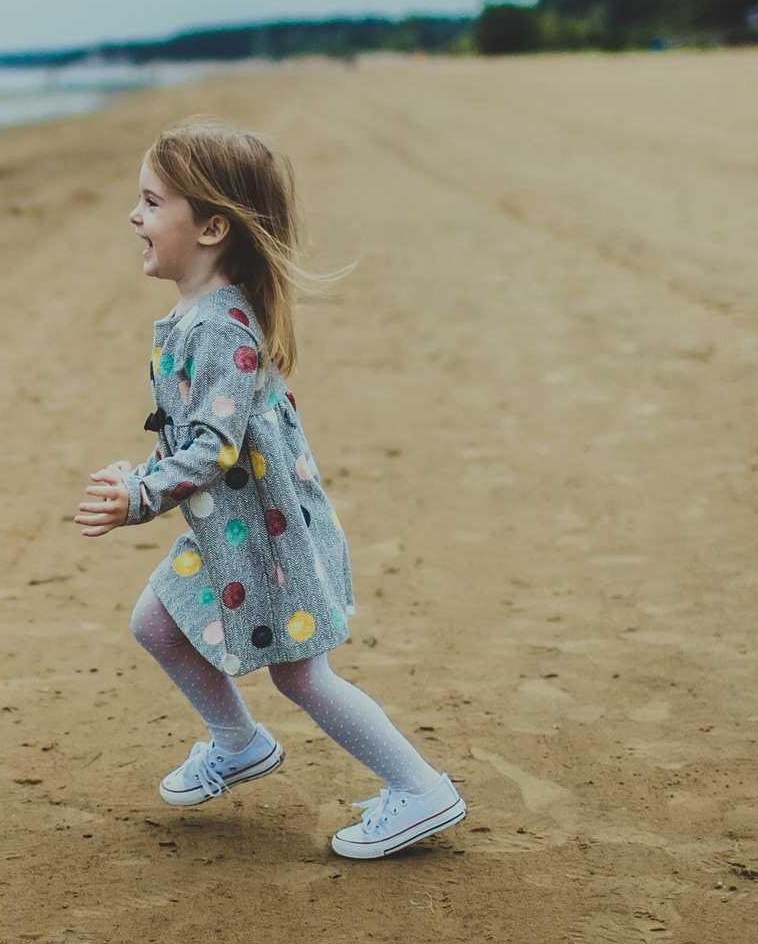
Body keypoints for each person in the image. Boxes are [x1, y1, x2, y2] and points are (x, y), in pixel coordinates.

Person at [74, 121, 465, 859]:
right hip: (235, 534)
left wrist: (139, 498)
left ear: (213, 225)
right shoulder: (195, 318)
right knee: (157, 622)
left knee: (302, 674)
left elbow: (214, 450)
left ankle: (420, 789)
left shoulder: (221, 327)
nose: (135, 215)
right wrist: (140, 473)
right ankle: (238, 741)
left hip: (270, 540)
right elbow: (195, 432)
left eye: (153, 202)